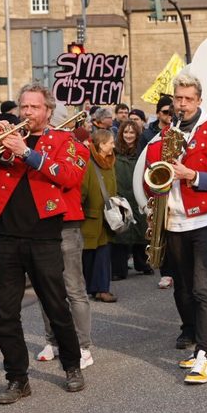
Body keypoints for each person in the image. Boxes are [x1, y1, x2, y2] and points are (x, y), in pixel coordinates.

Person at [0, 82, 86, 404]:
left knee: (56, 307)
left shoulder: (64, 140)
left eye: (33, 107)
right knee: (5, 313)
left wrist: (26, 152)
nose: (26, 113)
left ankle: (72, 366)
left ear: (48, 111)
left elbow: (69, 176)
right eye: (23, 107)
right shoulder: (9, 140)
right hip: (7, 236)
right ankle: (17, 378)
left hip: (44, 236)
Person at [139, 72, 207, 383]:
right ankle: (200, 346)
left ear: (199, 100)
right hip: (173, 221)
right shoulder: (163, 137)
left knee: (202, 287)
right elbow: (150, 179)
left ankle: (206, 353)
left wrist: (191, 175)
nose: (182, 104)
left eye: (188, 99)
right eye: (178, 99)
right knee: (182, 288)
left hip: (205, 220)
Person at [36, 105, 95, 369]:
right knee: (45, 288)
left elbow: (69, 179)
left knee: (73, 288)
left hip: (67, 222)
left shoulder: (78, 147)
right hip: (40, 223)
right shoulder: (37, 145)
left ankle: (83, 347)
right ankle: (53, 340)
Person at [112, 120, 152, 280]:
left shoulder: (142, 152)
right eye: (126, 132)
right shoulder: (115, 152)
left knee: (141, 231)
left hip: (137, 195)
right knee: (121, 234)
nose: (128, 135)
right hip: (120, 195)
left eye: (132, 132)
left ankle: (142, 263)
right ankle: (118, 269)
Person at [81, 128, 118, 302]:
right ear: (102, 144)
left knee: (103, 253)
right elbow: (82, 191)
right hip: (90, 218)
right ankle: (91, 288)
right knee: (88, 255)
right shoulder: (88, 163)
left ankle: (102, 289)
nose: (113, 145)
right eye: (111, 142)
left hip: (106, 217)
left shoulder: (110, 161)